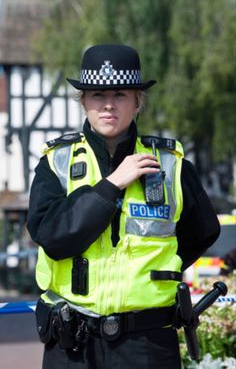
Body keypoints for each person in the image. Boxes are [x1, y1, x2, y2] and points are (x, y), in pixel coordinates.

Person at [27, 44, 220, 369]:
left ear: (137, 103)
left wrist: (154, 275)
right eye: (97, 95)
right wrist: (113, 184)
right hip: (73, 344)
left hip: (148, 343)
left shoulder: (171, 165)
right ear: (83, 101)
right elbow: (54, 237)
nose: (108, 106)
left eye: (119, 95)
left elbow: (202, 232)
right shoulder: (56, 162)